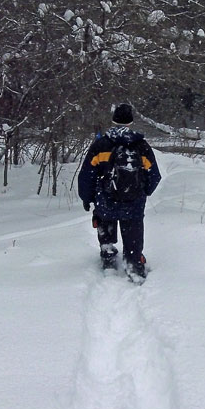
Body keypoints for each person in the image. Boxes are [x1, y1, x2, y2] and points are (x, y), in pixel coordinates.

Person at [77, 103, 161, 283]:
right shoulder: (141, 146)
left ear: (113, 120)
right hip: (134, 202)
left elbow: (86, 175)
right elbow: (154, 176)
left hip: (106, 200)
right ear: (131, 122)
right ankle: (133, 264)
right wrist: (143, 192)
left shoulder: (101, 145)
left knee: (104, 223)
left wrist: (87, 198)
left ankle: (108, 258)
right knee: (133, 233)